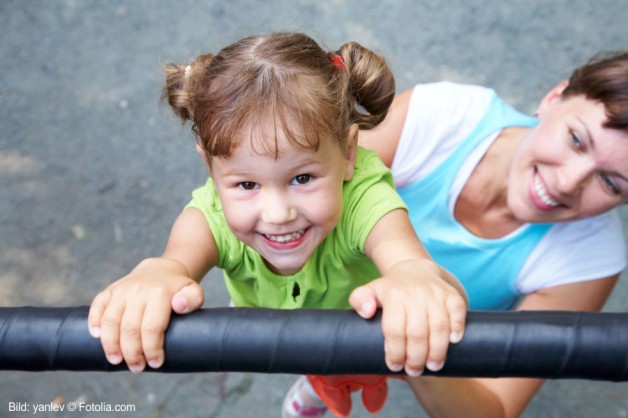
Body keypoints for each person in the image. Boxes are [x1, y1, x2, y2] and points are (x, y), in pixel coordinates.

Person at [86, 32, 468, 418]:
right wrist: (156, 275)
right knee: (319, 368)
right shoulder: (212, 213)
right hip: (290, 325)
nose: (277, 213)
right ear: (211, 170)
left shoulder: (364, 196)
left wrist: (413, 276)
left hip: (365, 332)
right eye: (247, 184)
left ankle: (321, 385)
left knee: (410, 347)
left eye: (302, 178)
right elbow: (174, 262)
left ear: (349, 154)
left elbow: (405, 259)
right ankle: (315, 386)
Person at [355, 51, 628, 417]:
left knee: (344, 368)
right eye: (577, 140)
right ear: (554, 98)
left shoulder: (591, 255)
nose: (566, 182)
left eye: (610, 182)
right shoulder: (440, 117)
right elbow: (306, 192)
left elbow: (493, 408)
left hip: (419, 348)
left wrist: (416, 330)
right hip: (319, 286)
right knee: (315, 363)